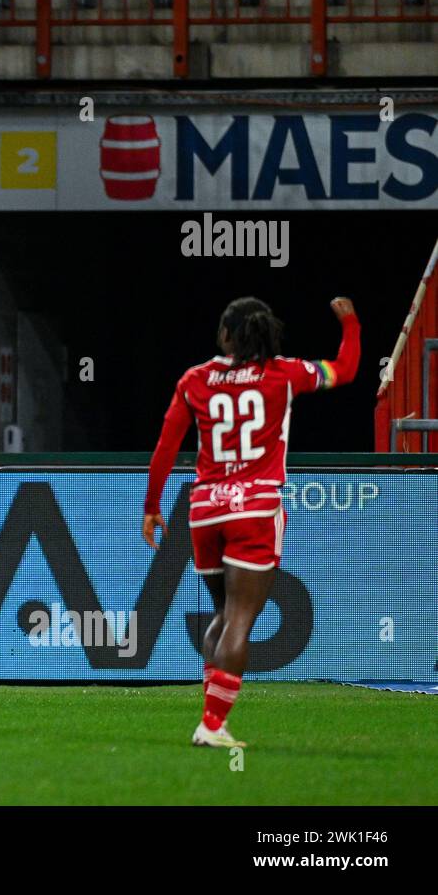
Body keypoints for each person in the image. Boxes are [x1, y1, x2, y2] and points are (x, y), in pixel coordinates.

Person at [142, 296, 360, 748]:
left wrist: (151, 506)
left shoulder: (195, 379)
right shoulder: (285, 373)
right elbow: (347, 368)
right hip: (255, 510)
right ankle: (213, 725)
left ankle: (211, 721)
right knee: (240, 619)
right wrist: (351, 322)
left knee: (223, 613)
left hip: (205, 511)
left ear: (225, 335)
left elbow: (166, 445)